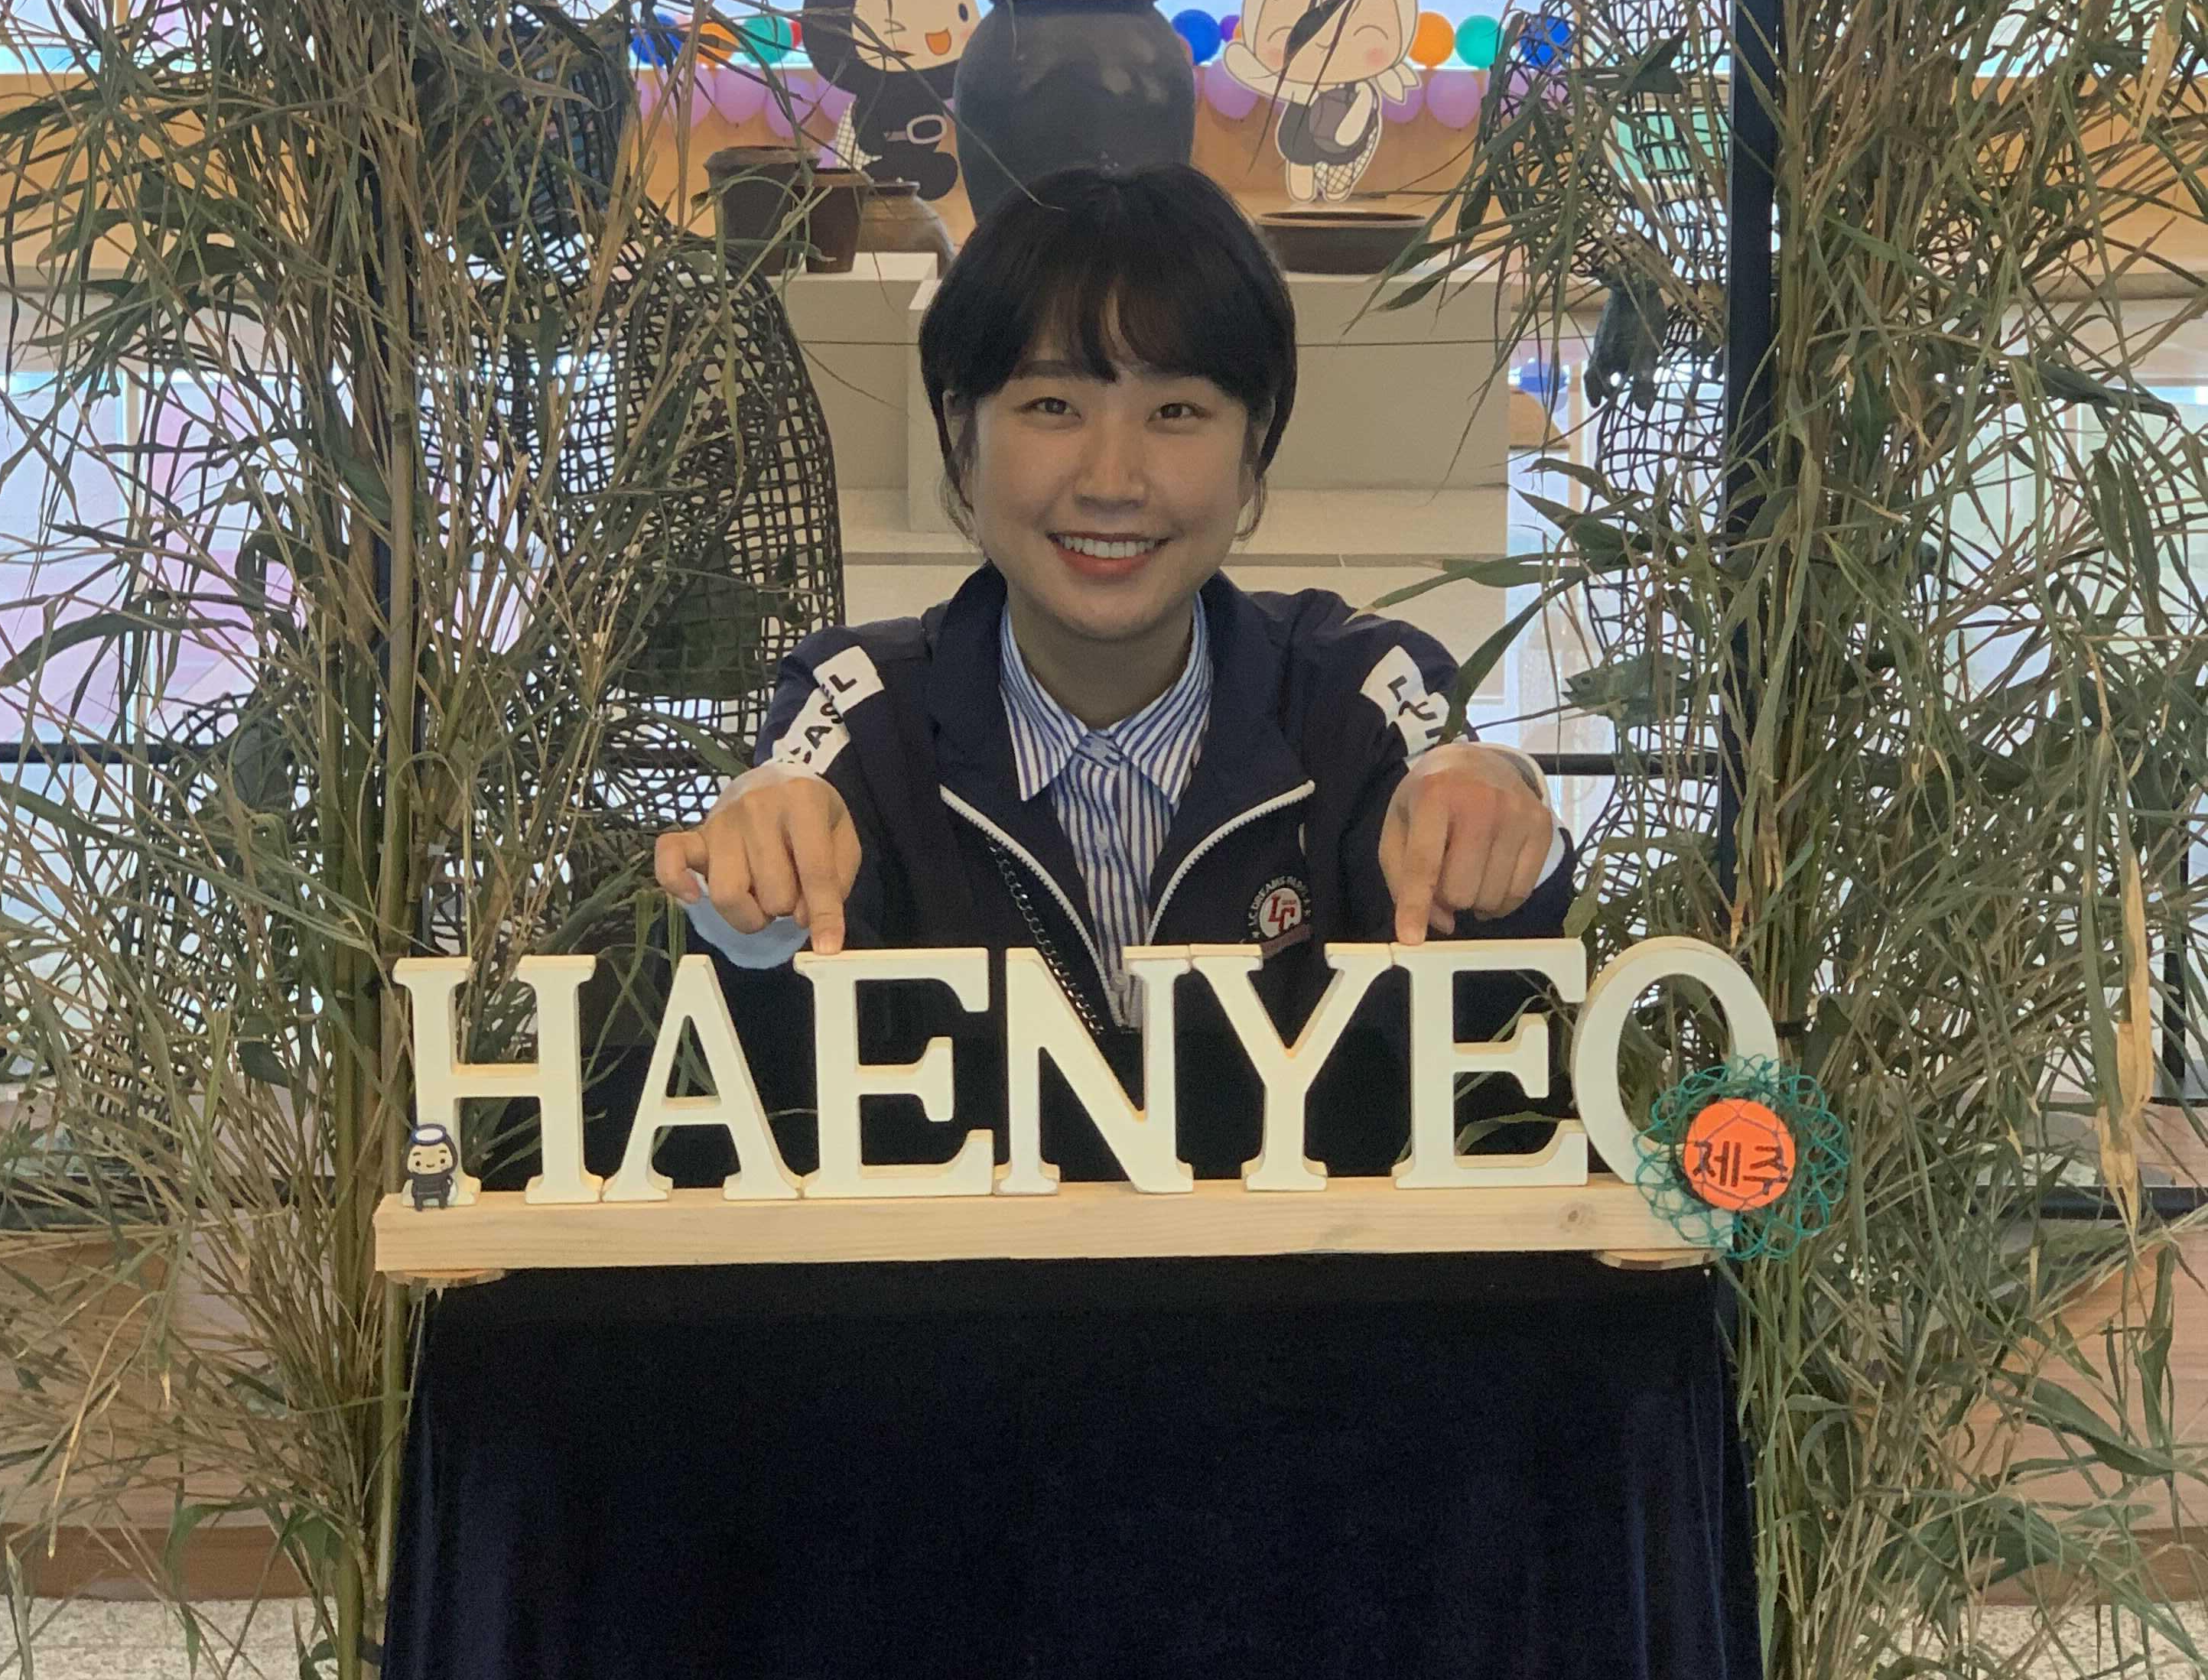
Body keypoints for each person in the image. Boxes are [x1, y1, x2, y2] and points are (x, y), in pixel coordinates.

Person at [655, 162, 1575, 1179]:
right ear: (962, 439)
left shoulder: (1356, 696)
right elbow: (778, 1088)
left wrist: (1499, 824)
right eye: (1052, 404)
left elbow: (1490, 1063)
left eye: (1176, 412)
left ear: (1254, 449)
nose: (1111, 480)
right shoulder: (860, 711)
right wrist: (756, 898)